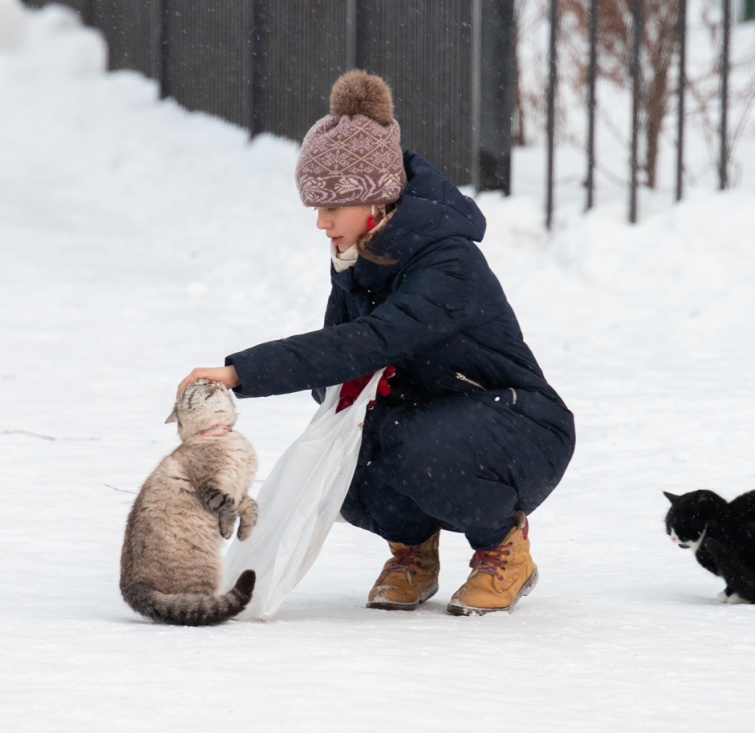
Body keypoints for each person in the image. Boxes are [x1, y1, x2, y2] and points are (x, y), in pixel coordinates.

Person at [177, 70, 574, 616]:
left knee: (420, 448)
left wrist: (241, 373)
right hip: (430, 420)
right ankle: (414, 551)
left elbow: (370, 340)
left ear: (372, 201)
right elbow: (337, 366)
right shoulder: (361, 260)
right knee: (346, 452)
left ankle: (503, 549)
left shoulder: (448, 262)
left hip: (519, 425)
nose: (320, 223)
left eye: (329, 209)